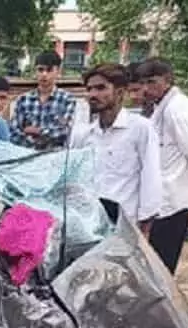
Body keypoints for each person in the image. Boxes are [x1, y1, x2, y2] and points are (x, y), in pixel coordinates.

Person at [69, 64, 162, 237]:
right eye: (89, 89)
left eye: (100, 88)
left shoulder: (140, 128)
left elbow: (151, 177)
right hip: (90, 225)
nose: (92, 94)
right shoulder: (84, 135)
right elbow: (74, 180)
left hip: (125, 225)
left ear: (120, 92)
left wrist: (145, 224)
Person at [139, 58, 188, 273]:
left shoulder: (178, 107)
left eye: (152, 82)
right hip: (162, 196)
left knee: (163, 262)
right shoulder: (161, 107)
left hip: (175, 196)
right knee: (155, 260)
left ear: (167, 80)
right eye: (143, 83)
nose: (146, 89)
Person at [10, 51, 76, 150]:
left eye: (49, 70)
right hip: (26, 155)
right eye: (40, 70)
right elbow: (13, 132)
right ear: (35, 71)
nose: (44, 74)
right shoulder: (23, 100)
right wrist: (35, 143)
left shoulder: (67, 100)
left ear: (58, 71)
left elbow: (66, 132)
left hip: (56, 156)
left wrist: (38, 131)